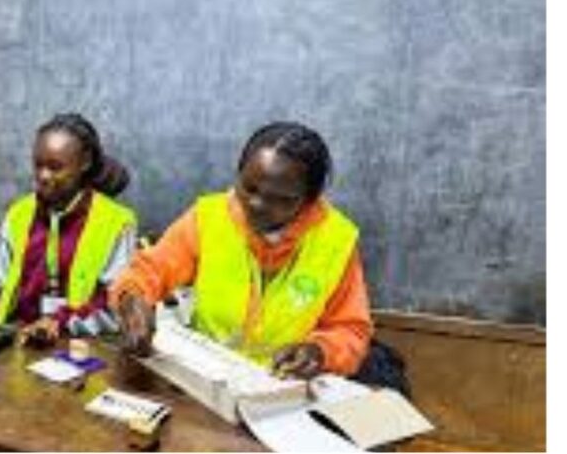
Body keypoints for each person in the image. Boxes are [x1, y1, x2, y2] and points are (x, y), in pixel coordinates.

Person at [110, 121, 372, 379]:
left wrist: (320, 352)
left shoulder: (335, 240)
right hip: (207, 378)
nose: (257, 204)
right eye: (249, 188)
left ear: (309, 200)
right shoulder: (209, 218)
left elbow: (351, 331)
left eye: (281, 199)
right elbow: (147, 271)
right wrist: (131, 301)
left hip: (284, 386)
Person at [0, 113, 137, 344]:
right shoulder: (19, 213)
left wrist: (58, 322)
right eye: (38, 165)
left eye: (55, 167)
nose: (43, 176)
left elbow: (114, 305)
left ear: (85, 162)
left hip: (76, 348)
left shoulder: (116, 222)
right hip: (17, 342)